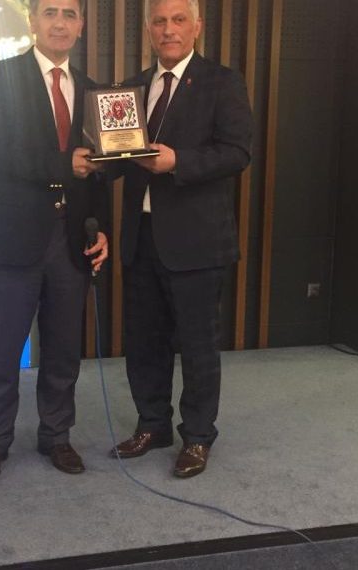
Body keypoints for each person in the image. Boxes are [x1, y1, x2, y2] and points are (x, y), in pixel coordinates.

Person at [110, 0, 253, 478]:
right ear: (148, 29)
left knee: (197, 346)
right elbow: (122, 154)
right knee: (143, 342)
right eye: (159, 21)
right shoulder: (131, 87)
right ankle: (152, 425)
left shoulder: (222, 82)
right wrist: (99, 158)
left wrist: (179, 163)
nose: (168, 29)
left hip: (197, 241)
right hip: (141, 237)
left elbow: (237, 153)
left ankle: (197, 436)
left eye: (178, 20)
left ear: (197, 27)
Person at [0, 0, 107, 484]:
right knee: (3, 349)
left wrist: (100, 226)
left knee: (64, 350)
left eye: (69, 14)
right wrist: (62, 166)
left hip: (71, 239)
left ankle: (56, 435)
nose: (60, 23)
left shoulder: (93, 90)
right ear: (32, 22)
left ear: (80, 25)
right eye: (50, 12)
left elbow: (98, 171)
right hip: (13, 237)